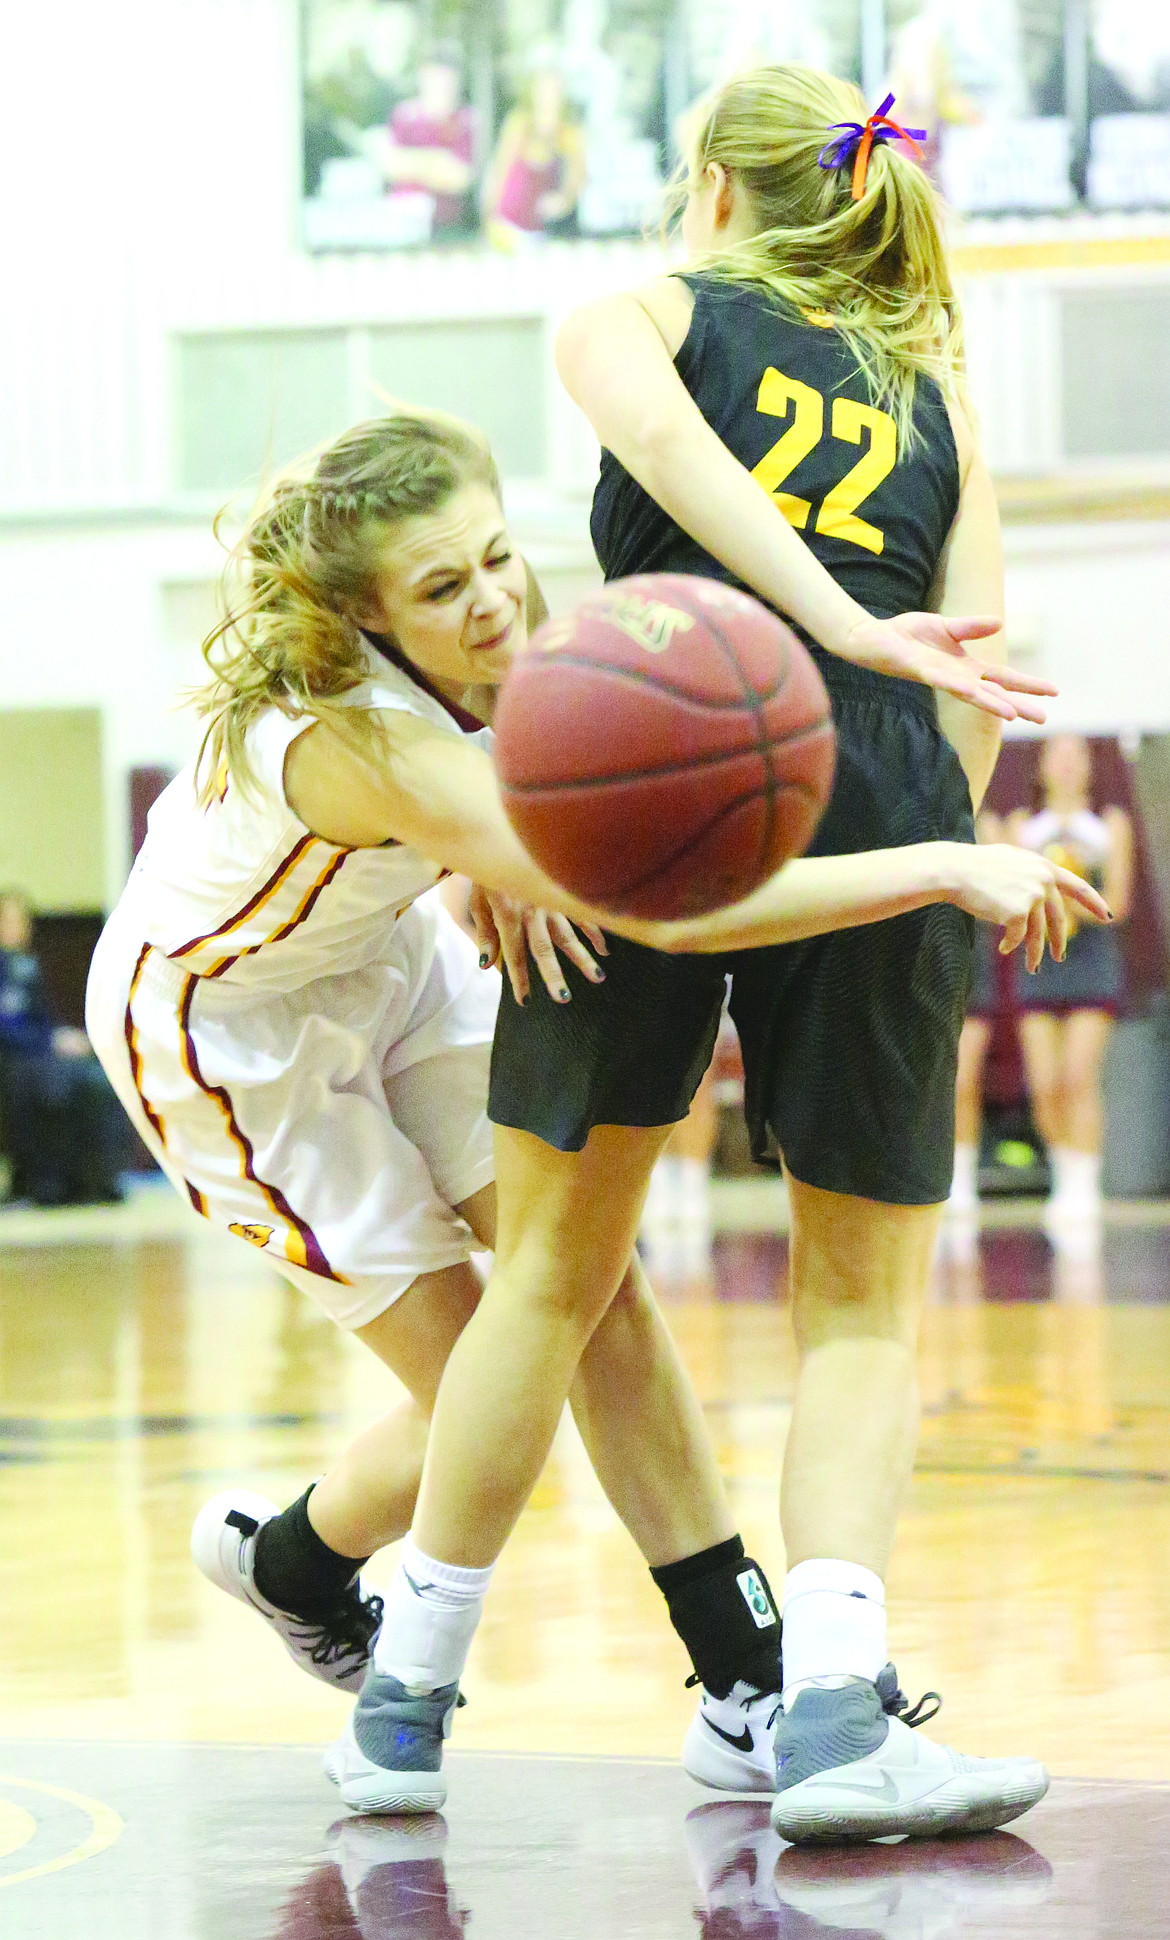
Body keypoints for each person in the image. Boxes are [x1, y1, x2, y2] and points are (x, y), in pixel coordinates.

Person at [80, 408, 1089, 1823]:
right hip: (225, 1034)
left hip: (384, 968)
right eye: (441, 592)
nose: (492, 602)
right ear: (360, 619)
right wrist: (937, 862)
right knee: (484, 1391)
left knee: (581, 1282)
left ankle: (744, 1681)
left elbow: (492, 800)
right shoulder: (353, 735)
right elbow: (664, 915)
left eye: (496, 558)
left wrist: (474, 864)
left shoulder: (500, 646)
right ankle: (298, 1560)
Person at [322, 71, 1107, 1842]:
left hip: (635, 766)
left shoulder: (636, 311)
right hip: (896, 790)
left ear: (710, 185)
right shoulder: (938, 393)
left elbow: (673, 464)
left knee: (552, 1276)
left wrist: (799, 645)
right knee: (859, 1309)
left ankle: (401, 1707)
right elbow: (972, 677)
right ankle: (831, 1710)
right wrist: (912, 834)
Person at [1009, 734, 1133, 1228]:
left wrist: (1074, 912)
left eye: (1074, 755)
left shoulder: (1109, 825)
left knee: (1077, 1077)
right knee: (1043, 1084)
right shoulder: (1022, 827)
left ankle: (1083, 1187)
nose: (1064, 764)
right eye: (1054, 755)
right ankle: (1063, 1173)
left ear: (1087, 766)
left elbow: (1118, 901)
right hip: (1040, 961)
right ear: (1041, 768)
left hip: (1090, 960)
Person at [0, 889, 125, 1205]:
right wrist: (47, 1042)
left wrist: (62, 1038)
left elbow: (44, 1018)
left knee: (95, 1081)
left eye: (21, 920)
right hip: (13, 1059)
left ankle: (93, 1182)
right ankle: (43, 1185)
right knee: (47, 1085)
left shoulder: (28, 965)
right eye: (9, 920)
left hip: (39, 1055)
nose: (17, 927)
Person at [949, 809, 1003, 1213]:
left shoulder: (986, 826)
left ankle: (962, 1177)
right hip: (920, 956)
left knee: (963, 1081)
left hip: (970, 964)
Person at [482, 62, 586, 244]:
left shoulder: (569, 133)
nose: (549, 95)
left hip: (541, 233)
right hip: (506, 225)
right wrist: (487, 215)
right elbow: (500, 169)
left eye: (554, 89)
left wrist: (564, 200)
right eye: (544, 89)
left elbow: (577, 176)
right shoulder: (519, 124)